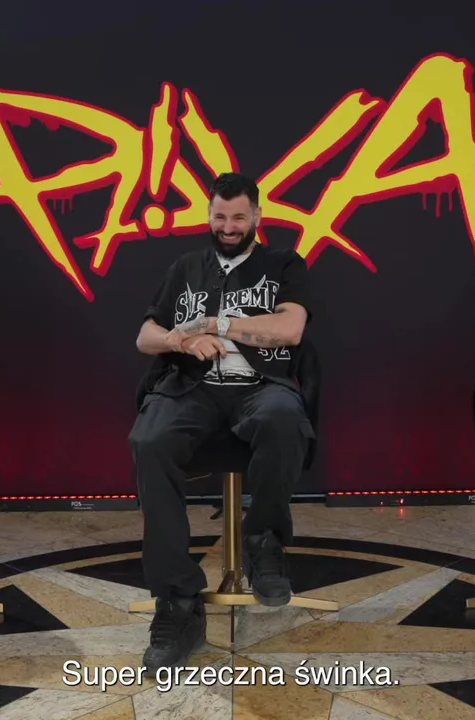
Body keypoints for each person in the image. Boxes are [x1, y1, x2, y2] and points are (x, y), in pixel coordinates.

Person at [128, 172, 315, 672]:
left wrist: (217, 324)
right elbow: (146, 335)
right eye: (219, 216)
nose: (228, 227)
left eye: (238, 217)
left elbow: (291, 329)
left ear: (257, 216)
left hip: (260, 385)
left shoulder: (283, 264)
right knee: (149, 439)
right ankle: (177, 601)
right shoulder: (185, 266)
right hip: (192, 389)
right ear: (208, 215)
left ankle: (263, 542)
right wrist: (180, 339)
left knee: (282, 417)